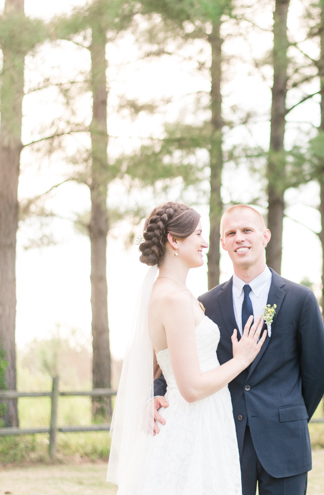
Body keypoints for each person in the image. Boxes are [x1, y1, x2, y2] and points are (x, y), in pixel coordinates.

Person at [153, 204, 324, 495]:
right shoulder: (205, 304)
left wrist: (290, 414)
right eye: (231, 233)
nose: (240, 238)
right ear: (222, 243)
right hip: (225, 439)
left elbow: (320, 371)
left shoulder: (300, 299)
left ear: (265, 236)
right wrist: (156, 393)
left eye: (247, 230)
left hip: (286, 441)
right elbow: (180, 359)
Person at [107, 202, 267, 494]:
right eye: (198, 234)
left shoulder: (176, 294)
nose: (205, 242)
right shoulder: (174, 300)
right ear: (174, 240)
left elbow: (165, 366)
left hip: (206, 419)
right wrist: (240, 360)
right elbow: (190, 388)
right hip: (193, 424)